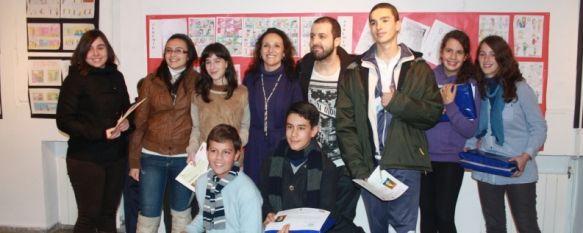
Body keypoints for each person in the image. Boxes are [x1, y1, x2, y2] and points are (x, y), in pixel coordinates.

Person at [335, 3, 443, 233]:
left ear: (397, 25)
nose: (378, 27)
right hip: (370, 167)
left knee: (405, 229)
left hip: (405, 164)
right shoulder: (354, 71)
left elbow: (432, 113)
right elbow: (345, 125)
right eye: (373, 22)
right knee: (378, 229)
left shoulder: (419, 68)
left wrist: (397, 103)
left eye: (384, 20)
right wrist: (359, 167)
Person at [466, 35, 547, 233]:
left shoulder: (520, 89)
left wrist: (525, 156)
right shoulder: (478, 89)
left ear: (503, 58)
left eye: (492, 55)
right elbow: (476, 124)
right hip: (488, 167)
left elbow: (539, 127)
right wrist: (468, 145)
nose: (486, 59)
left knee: (527, 226)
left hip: (517, 168)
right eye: (482, 54)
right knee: (494, 227)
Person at [56, 29, 131, 233]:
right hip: (85, 157)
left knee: (108, 214)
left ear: (108, 50)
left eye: (100, 47)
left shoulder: (117, 76)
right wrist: (101, 133)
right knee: (89, 216)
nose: (96, 53)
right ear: (82, 52)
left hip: (116, 156)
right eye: (89, 49)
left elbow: (126, 110)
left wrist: (127, 123)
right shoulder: (74, 79)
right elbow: (64, 121)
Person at [296, 16, 362, 233]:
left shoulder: (354, 71)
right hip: (313, 162)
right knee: (313, 221)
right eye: (313, 36)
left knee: (340, 223)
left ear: (337, 41)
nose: (316, 41)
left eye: (322, 36)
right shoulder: (304, 67)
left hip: (345, 163)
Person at [128, 33, 199, 233]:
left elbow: (201, 122)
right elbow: (140, 122)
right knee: (148, 213)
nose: (173, 54)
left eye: (179, 50)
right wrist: (134, 161)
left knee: (181, 213)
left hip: (185, 159)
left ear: (188, 55)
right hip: (152, 156)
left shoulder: (198, 81)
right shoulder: (151, 81)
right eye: (169, 50)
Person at [419, 30, 481, 233]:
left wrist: (450, 105)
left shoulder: (470, 85)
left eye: (459, 52)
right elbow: (417, 118)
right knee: (427, 217)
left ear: (465, 56)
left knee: (444, 217)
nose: (453, 57)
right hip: (424, 160)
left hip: (451, 161)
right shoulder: (427, 78)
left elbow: (470, 130)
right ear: (441, 52)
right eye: (449, 51)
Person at [260, 102, 338, 230]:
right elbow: (263, 198)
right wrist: (267, 214)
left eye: (301, 128)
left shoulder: (327, 168)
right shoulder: (270, 160)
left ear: (313, 131)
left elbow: (326, 213)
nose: (294, 134)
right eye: (290, 127)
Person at [243, 27, 303, 184]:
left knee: (278, 195)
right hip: (254, 146)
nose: (271, 50)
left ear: (284, 52)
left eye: (277, 46)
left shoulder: (292, 81)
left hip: (283, 146)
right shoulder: (250, 79)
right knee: (254, 195)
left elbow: (299, 119)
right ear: (260, 50)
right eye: (266, 45)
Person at [185, 124, 262, 233]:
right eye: (213, 151)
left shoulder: (247, 191)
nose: (218, 158)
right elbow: (205, 215)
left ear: (236, 155)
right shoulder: (202, 182)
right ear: (207, 152)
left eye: (226, 152)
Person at [186, 42, 250, 167]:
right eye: (208, 62)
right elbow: (196, 128)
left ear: (226, 64)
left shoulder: (241, 92)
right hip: (205, 159)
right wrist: (192, 150)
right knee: (206, 187)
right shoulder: (197, 94)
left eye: (217, 61)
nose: (212, 67)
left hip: (232, 160)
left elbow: (245, 126)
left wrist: (233, 148)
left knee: (229, 187)